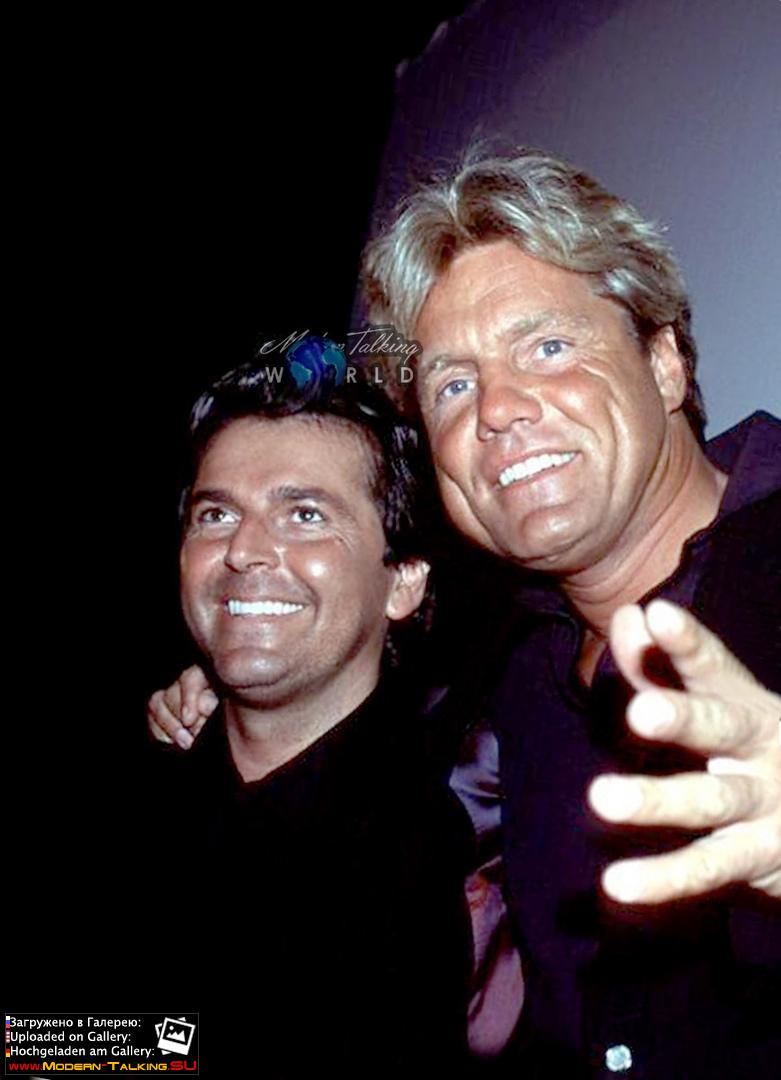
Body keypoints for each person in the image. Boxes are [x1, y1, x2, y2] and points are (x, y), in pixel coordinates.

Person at [153, 151, 780, 1076]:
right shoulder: (503, 677)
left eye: (547, 347)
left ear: (663, 363)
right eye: (452, 384)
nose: (497, 409)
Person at [145, 359, 476, 1076]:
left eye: (304, 515)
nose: (242, 551)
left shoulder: (442, 854)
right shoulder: (152, 779)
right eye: (216, 514)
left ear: (402, 582)